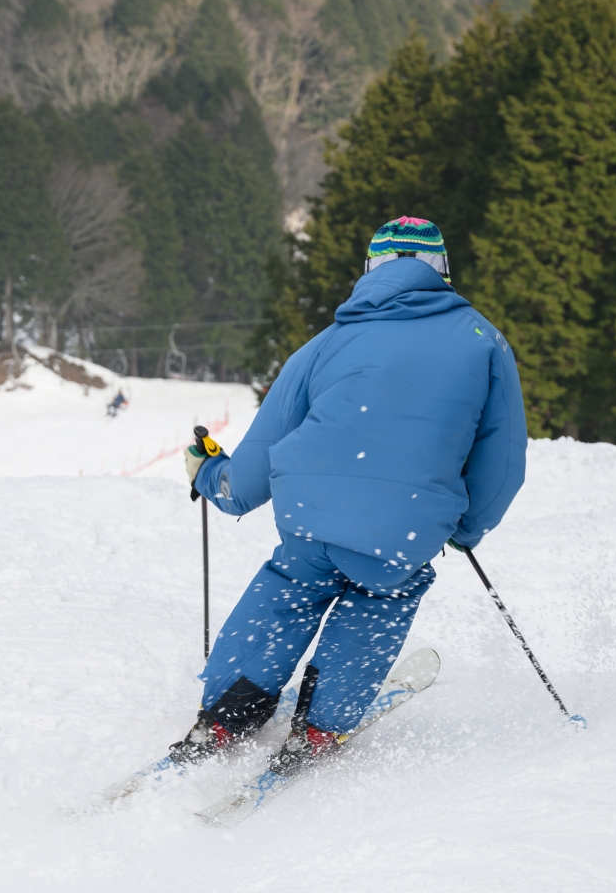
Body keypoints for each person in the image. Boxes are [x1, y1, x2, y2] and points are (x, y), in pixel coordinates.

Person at [170, 216, 525, 769]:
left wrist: (207, 474)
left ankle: (225, 716)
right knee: (377, 600)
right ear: (443, 273)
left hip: (310, 522)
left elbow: (249, 476)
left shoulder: (324, 345)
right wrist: (466, 527)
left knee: (286, 593)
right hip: (402, 530)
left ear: (369, 272)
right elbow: (502, 463)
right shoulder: (483, 341)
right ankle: (320, 726)